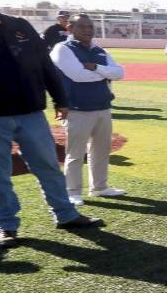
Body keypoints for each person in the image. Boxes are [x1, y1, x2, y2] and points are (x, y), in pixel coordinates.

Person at [0, 0, 103, 248]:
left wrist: (60, 99)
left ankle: (66, 215)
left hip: (29, 112)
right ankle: (5, 225)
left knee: (49, 167)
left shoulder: (18, 25)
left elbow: (44, 64)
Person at [49, 14, 127, 205]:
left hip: (102, 107)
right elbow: (77, 75)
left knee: (101, 150)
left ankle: (100, 187)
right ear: (70, 28)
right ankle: (72, 191)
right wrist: (104, 74)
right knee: (75, 153)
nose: (87, 30)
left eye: (90, 26)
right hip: (77, 108)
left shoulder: (99, 50)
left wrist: (96, 67)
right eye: (82, 26)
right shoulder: (63, 49)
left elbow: (120, 73)